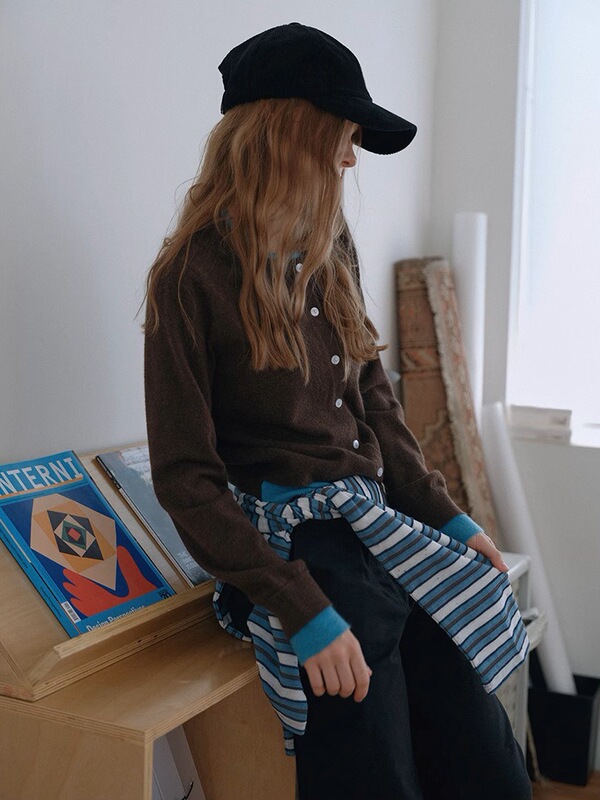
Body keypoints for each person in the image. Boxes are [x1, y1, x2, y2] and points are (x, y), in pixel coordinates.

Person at [143, 22, 532, 800]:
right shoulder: (191, 276)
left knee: (484, 753)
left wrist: (450, 519)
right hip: (295, 548)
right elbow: (186, 477)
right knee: (372, 763)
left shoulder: (331, 246)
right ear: (290, 132)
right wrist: (299, 608)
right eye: (345, 135)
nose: (351, 158)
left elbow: (376, 402)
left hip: (373, 524)